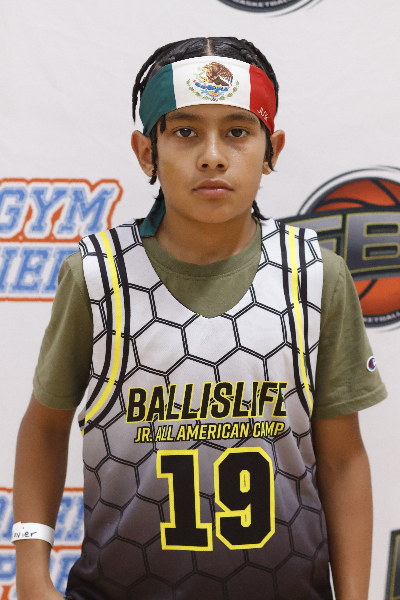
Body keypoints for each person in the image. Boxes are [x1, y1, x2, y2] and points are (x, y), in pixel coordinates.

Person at [13, 37, 387, 600]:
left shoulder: (315, 275)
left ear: (272, 149)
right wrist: (30, 573)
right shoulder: (97, 274)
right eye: (185, 131)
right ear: (146, 152)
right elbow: (44, 427)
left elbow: (343, 459)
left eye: (237, 131)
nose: (212, 155)